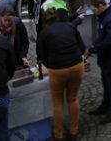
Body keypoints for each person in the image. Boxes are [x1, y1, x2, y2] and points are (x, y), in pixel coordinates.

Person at [36, 8, 86, 141]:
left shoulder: (43, 33)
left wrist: (51, 65)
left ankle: (59, 135)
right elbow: (82, 48)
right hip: (77, 66)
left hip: (57, 70)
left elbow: (41, 56)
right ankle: (74, 131)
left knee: (58, 103)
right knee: (73, 98)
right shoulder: (70, 26)